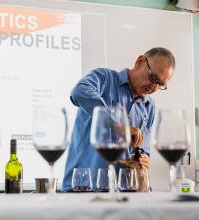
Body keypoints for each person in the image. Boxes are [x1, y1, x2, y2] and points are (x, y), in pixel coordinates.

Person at [62, 47, 175, 192]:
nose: (154, 87)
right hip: (84, 188)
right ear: (140, 62)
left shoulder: (149, 106)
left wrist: (143, 160)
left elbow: (142, 149)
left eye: (161, 84)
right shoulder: (103, 79)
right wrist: (120, 126)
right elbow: (79, 92)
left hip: (124, 193)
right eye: (153, 78)